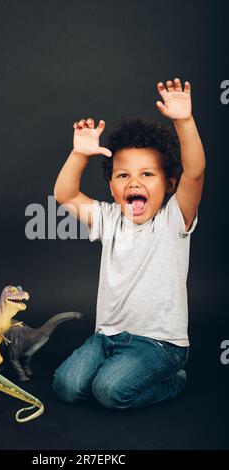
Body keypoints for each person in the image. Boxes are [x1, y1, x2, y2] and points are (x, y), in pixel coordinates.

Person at [52, 79, 206, 410]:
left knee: (109, 391)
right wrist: (79, 153)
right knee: (65, 386)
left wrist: (183, 121)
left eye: (147, 175)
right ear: (111, 188)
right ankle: (117, 369)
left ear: (169, 184)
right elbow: (65, 194)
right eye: (124, 176)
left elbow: (195, 172)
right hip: (107, 337)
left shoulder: (173, 219)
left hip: (159, 344)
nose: (134, 181)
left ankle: (173, 380)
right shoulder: (109, 219)